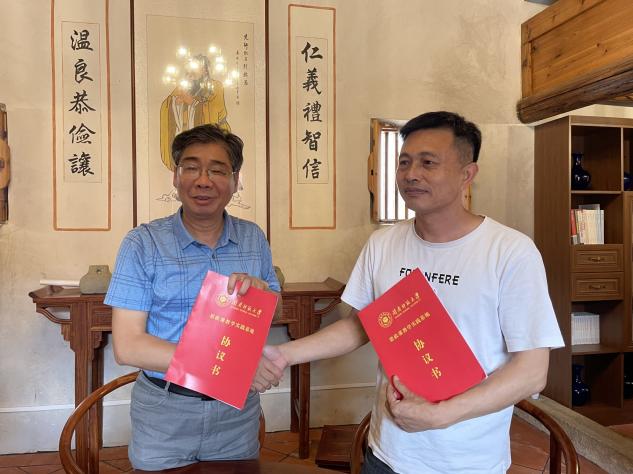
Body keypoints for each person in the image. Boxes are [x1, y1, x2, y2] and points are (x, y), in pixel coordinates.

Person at [254, 111, 564, 473]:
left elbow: (532, 371)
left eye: (428, 162)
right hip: (386, 452)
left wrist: (443, 414)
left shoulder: (510, 252)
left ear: (467, 174)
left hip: (467, 462)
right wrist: (282, 354)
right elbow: (361, 326)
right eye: (404, 162)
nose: (411, 174)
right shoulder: (383, 244)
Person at [105, 124, 280, 471]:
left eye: (217, 170)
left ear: (235, 180)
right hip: (164, 413)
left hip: (236, 414)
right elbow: (128, 347)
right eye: (191, 167)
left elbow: (273, 308)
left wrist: (261, 297)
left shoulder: (253, 238)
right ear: (175, 176)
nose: (203, 181)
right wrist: (229, 364)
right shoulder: (143, 243)